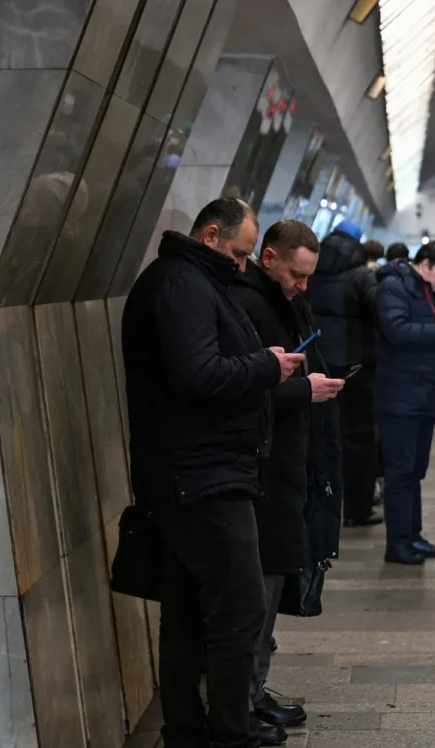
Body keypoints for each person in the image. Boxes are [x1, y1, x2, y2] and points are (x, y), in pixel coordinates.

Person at [121, 197, 305, 748]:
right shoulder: (183, 286)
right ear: (209, 236)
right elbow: (197, 374)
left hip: (192, 469)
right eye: (239, 253)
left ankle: (186, 726)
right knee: (239, 604)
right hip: (200, 473)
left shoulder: (190, 280)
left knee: (186, 608)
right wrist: (268, 365)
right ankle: (231, 728)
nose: (243, 266)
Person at [231, 220, 343, 744]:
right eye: (296, 274)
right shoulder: (248, 304)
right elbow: (243, 387)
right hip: (262, 467)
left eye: (308, 277)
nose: (303, 285)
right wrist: (304, 390)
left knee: (274, 581)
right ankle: (243, 697)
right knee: (259, 588)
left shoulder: (288, 300)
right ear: (269, 257)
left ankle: (254, 689)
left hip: (290, 461)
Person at [373, 240, 435, 564]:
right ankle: (398, 544)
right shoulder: (394, 286)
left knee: (415, 471)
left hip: (424, 395)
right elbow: (397, 330)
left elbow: (431, 332)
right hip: (400, 396)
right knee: (400, 472)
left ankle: (412, 536)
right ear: (425, 264)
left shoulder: (429, 290)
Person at [305, 222, 382, 528]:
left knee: (322, 436)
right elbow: (380, 312)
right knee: (359, 438)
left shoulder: (311, 274)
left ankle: (322, 503)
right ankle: (357, 508)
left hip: (317, 365)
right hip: (356, 369)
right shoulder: (361, 276)